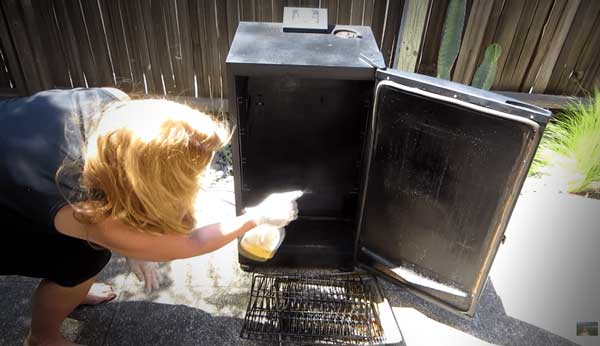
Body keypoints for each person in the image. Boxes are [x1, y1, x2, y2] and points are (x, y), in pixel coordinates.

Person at [0, 88, 301, 346]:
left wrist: (134, 243)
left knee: (92, 249)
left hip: (14, 142)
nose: (200, 178)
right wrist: (255, 217)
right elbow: (191, 242)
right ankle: (42, 336)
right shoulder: (80, 200)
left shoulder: (113, 103)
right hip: (9, 210)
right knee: (83, 259)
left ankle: (72, 292)